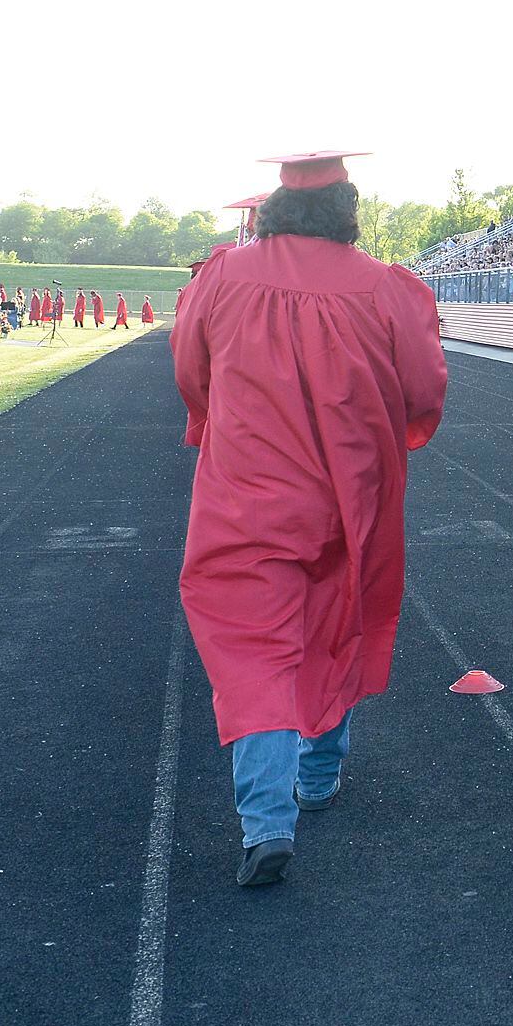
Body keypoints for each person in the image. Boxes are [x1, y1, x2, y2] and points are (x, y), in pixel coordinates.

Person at [174, 151, 446, 889]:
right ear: (347, 209)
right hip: (346, 493)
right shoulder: (387, 290)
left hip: (244, 494)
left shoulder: (222, 277)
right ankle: (319, 777)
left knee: (252, 648)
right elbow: (423, 389)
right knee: (336, 620)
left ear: (273, 211)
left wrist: (214, 420)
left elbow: (190, 374)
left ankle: (265, 823)